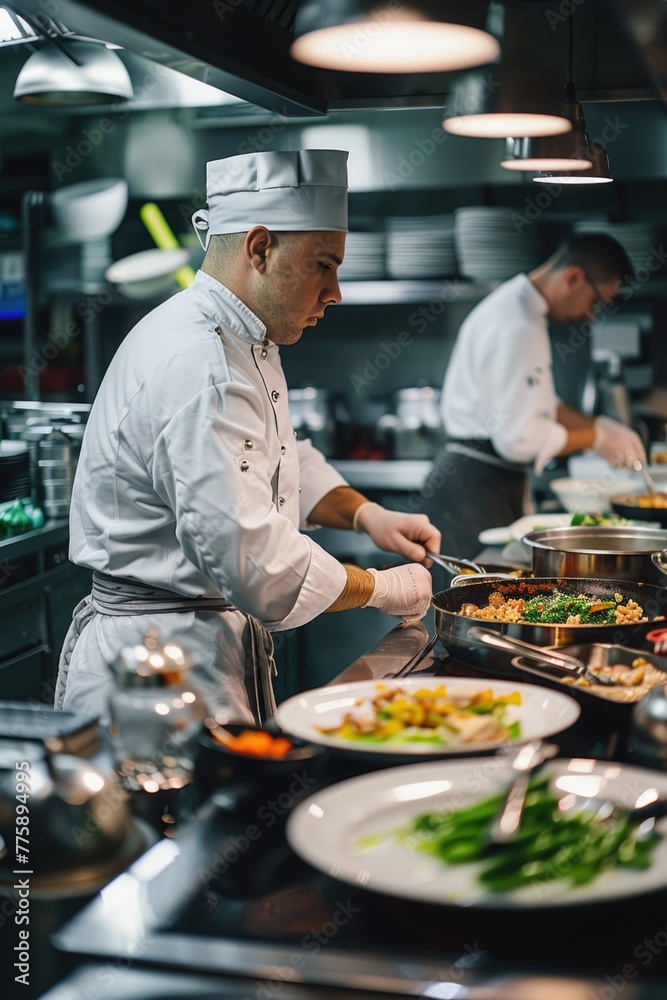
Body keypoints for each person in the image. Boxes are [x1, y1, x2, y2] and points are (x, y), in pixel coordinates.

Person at [54, 148, 439, 724]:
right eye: (324, 264)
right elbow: (257, 561)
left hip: (192, 647)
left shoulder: (236, 338)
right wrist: (382, 589)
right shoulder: (201, 362)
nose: (335, 292)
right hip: (156, 673)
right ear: (260, 248)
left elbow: (278, 458)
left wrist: (366, 515)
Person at [422, 233, 647, 559]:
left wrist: (602, 426)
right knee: (477, 603)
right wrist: (595, 437)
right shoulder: (519, 325)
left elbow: (541, 405)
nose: (592, 315)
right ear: (573, 278)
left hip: (482, 483)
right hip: (472, 491)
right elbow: (518, 439)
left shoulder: (518, 308)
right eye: (596, 301)